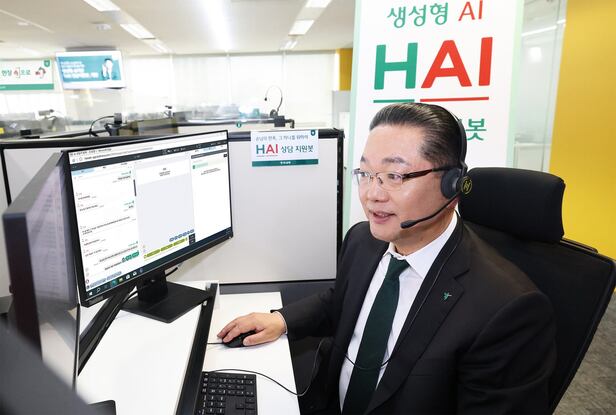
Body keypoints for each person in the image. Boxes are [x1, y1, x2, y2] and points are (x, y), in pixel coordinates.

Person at [218, 103, 556, 414]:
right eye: (366, 174)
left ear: (452, 185)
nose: (372, 195)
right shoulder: (363, 240)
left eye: (395, 176)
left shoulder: (507, 309)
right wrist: (282, 320)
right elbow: (342, 300)